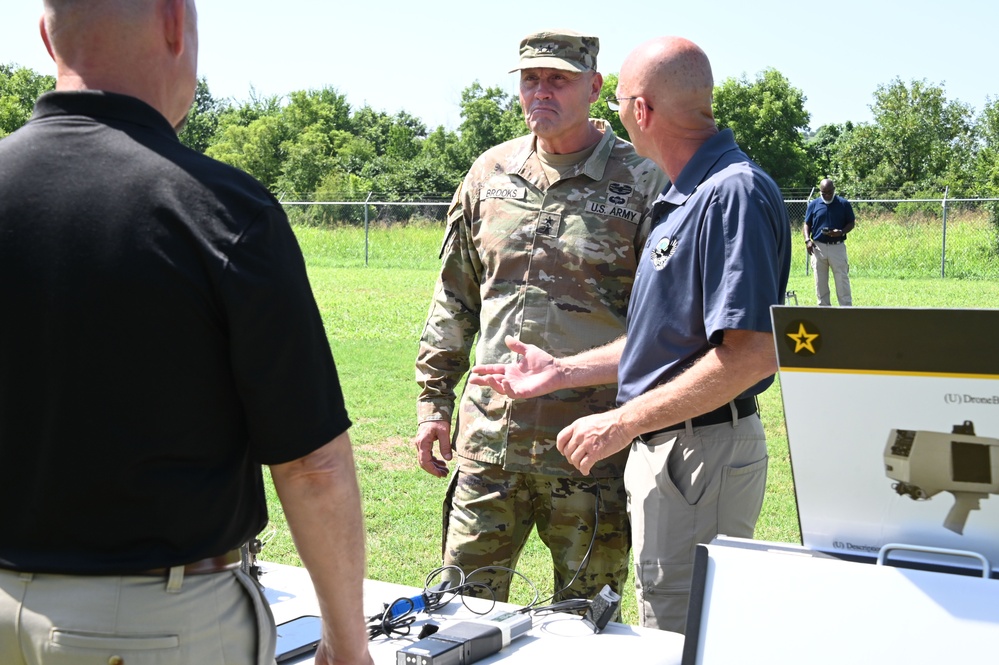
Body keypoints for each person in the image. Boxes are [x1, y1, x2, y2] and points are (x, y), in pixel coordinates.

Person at [0, 2, 372, 664]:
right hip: (151, 626)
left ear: (45, 37)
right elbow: (311, 464)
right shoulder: (219, 208)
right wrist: (347, 642)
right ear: (175, 24)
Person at [469, 36, 791, 633]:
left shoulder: (730, 193)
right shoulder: (687, 193)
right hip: (672, 449)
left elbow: (749, 356)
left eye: (616, 101)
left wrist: (620, 421)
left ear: (640, 110)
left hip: (698, 448)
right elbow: (668, 340)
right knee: (658, 615)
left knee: (679, 630)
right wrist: (564, 372)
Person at [415, 29, 669, 603]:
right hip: (490, 443)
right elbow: (455, 298)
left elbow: (663, 326)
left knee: (585, 622)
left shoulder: (643, 181)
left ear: (595, 87)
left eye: (558, 79)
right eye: (530, 80)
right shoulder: (490, 173)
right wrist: (433, 402)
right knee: (459, 611)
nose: (541, 92)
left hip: (588, 451)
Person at [804, 178, 855, 306]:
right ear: (820, 191)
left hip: (837, 247)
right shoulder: (814, 204)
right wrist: (807, 240)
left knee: (841, 279)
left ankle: (846, 309)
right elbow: (806, 224)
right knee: (820, 281)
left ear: (834, 190)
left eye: (829, 192)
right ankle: (824, 310)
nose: (826, 195)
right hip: (818, 247)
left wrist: (841, 232)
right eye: (823, 192)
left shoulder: (843, 204)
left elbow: (851, 223)